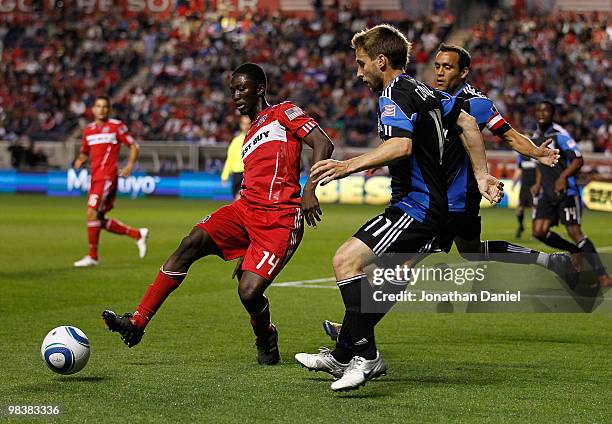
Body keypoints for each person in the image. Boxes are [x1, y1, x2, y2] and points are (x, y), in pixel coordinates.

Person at [321, 43, 576, 346]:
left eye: (448, 67)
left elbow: (507, 134)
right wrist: (387, 160)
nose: (440, 72)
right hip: (445, 197)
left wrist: (536, 152)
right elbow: (412, 140)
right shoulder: (430, 97)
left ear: (464, 71)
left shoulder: (476, 103)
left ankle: (355, 334)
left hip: (451, 200)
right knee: (469, 250)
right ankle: (549, 262)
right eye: (438, 65)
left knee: (395, 265)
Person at [295, 25, 503, 391]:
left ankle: (364, 355)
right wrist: (483, 175)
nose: (359, 73)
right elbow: (468, 123)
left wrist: (347, 165)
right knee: (382, 278)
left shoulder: (394, 92)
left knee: (346, 262)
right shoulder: (423, 89)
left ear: (381, 60)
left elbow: (401, 147)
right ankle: (344, 354)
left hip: (417, 207)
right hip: (424, 206)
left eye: (362, 65)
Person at [102, 63, 335, 365]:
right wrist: (246, 239)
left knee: (249, 293)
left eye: (242, 88)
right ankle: (137, 321)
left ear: (260, 89)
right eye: (232, 90)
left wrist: (309, 189)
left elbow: (323, 142)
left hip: (279, 218)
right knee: (192, 241)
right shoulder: (249, 135)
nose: (236, 95)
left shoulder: (283, 112)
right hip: (245, 210)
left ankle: (265, 334)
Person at [530, 100, 612, 287]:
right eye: (539, 110)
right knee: (539, 231)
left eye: (546, 110)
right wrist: (537, 183)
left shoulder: (560, 135)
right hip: (547, 193)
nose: (542, 113)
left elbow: (578, 160)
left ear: (553, 114)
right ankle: (574, 251)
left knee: (575, 231)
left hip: (567, 191)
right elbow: (540, 163)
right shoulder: (535, 137)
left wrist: (563, 177)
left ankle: (602, 276)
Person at [73, 96, 148, 267]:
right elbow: (84, 151)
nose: (102, 109)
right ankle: (137, 234)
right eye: (98, 106)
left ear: (109, 109)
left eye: (105, 106)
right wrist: (80, 159)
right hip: (95, 177)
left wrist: (129, 165)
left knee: (91, 212)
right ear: (93, 109)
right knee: (97, 218)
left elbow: (134, 146)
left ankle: (93, 256)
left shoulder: (116, 126)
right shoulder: (89, 130)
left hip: (107, 176)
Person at [221, 115, 249, 199]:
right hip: (238, 174)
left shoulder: (258, 139)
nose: (246, 126)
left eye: (248, 123)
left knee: (241, 200)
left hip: (250, 174)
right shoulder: (236, 141)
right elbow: (230, 159)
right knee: (239, 200)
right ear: (241, 125)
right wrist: (224, 176)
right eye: (244, 124)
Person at [513, 153, 537, 238]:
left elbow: (540, 172)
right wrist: (514, 182)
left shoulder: (536, 155)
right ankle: (521, 226)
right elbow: (518, 170)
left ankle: (535, 231)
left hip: (533, 187)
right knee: (520, 209)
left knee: (533, 209)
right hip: (524, 187)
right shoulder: (521, 157)